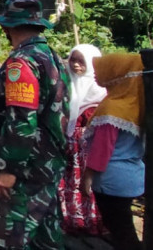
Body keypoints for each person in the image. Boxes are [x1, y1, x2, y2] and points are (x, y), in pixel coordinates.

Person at [0, 0, 70, 250]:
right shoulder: (52, 57)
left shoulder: (21, 62)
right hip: (50, 158)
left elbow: (22, 119)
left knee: (13, 233)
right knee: (46, 232)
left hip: (28, 164)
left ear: (8, 28)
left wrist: (9, 169)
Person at [83, 53, 144, 250]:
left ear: (117, 74)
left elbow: (102, 149)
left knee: (121, 231)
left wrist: (88, 176)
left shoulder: (113, 108)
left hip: (111, 178)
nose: (96, 74)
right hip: (133, 174)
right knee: (124, 227)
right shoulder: (137, 104)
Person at [61, 44, 107, 236]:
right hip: (69, 146)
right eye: (73, 60)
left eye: (82, 62)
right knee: (69, 184)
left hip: (90, 150)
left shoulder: (100, 92)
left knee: (89, 186)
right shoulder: (65, 85)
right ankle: (71, 219)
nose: (77, 66)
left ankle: (92, 221)